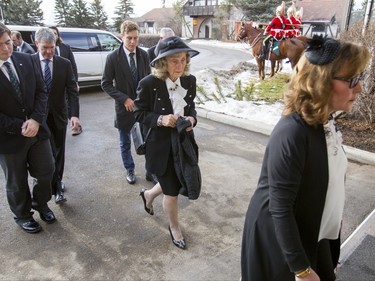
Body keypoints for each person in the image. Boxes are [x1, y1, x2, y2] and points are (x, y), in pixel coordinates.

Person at [240, 35, 371, 281]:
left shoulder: (324, 120)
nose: (360, 87)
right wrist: (302, 269)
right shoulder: (293, 132)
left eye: (359, 78)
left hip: (311, 230)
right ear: (320, 82)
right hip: (281, 243)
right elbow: (280, 208)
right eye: (352, 80)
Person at [134, 36, 200, 250]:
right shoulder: (149, 84)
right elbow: (138, 112)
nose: (180, 65)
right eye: (174, 61)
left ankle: (148, 195)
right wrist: (161, 119)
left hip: (183, 142)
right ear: (163, 63)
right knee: (172, 190)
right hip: (160, 145)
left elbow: (191, 108)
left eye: (183, 60)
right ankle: (174, 227)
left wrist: (192, 119)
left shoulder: (190, 81)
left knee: (177, 178)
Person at [0, 23, 56, 233]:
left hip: (38, 132)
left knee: (46, 171)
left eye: (8, 42)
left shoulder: (26, 59)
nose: (6, 49)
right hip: (9, 138)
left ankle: (40, 203)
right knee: (16, 181)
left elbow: (42, 92)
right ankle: (23, 215)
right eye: (1, 46)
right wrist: (21, 126)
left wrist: (36, 119)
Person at [32, 27, 81, 204]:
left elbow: (72, 91)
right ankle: (47, 185)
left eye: (51, 47)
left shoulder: (63, 64)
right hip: (37, 119)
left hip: (58, 116)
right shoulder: (29, 63)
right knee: (47, 156)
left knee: (58, 153)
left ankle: (57, 186)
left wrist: (74, 115)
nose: (48, 52)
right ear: (37, 44)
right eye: (44, 47)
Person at [101, 20, 150, 185]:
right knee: (125, 142)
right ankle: (129, 169)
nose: (133, 42)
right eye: (129, 38)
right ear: (121, 37)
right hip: (124, 108)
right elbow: (106, 84)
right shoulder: (113, 58)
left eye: (136, 38)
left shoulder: (144, 55)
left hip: (143, 108)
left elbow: (149, 80)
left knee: (149, 140)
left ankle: (150, 172)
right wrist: (124, 99)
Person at [49, 26, 82, 137]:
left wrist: (75, 82)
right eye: (51, 33)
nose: (54, 35)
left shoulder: (65, 48)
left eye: (55, 33)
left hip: (67, 82)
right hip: (53, 85)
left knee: (69, 102)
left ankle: (74, 125)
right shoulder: (44, 52)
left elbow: (73, 66)